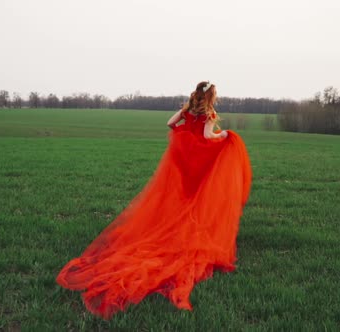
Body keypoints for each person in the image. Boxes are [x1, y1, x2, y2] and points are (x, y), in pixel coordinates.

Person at [56, 81, 252, 319]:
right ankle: (188, 229)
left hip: (182, 160)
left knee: (183, 196)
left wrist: (184, 113)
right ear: (211, 97)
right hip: (197, 162)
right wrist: (223, 134)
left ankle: (180, 225)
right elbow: (205, 135)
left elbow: (170, 124)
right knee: (197, 195)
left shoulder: (188, 111)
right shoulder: (209, 114)